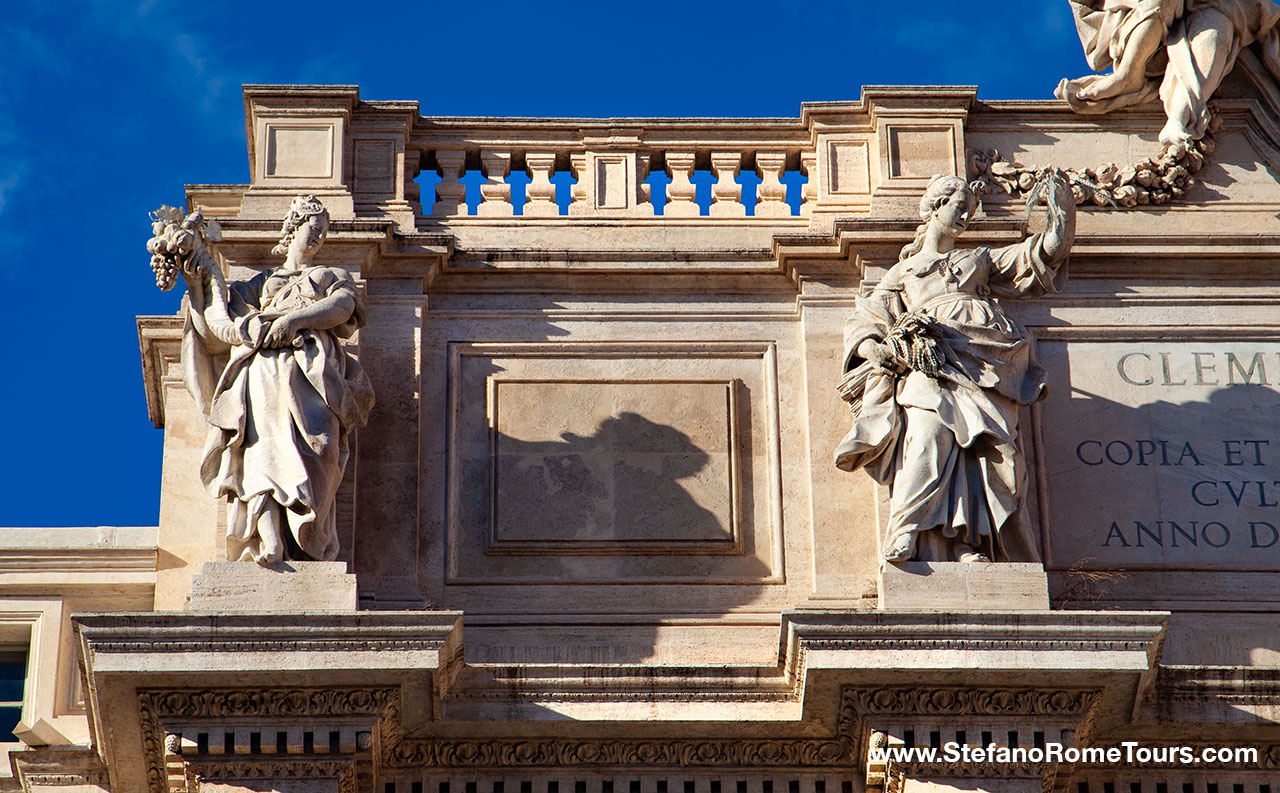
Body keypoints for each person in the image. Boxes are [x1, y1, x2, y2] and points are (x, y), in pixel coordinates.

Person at [834, 173, 1076, 563]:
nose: (964, 215)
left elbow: (1045, 252)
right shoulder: (903, 273)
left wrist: (1061, 212)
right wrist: (872, 348)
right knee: (928, 441)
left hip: (987, 364)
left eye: (969, 210)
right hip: (931, 360)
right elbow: (865, 318)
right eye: (957, 207)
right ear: (934, 208)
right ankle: (905, 534)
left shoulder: (979, 259)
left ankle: (966, 544)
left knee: (993, 456)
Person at [178, 195, 375, 565]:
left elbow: (343, 306)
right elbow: (220, 324)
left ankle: (309, 538)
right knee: (261, 450)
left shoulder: (331, 276)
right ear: (293, 227)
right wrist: (197, 281)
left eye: (323, 232)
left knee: (321, 448)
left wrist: (294, 321)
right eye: (312, 228)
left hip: (314, 375)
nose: (317, 237)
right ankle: (269, 540)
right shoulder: (261, 284)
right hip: (264, 371)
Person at [1058, 0, 1280, 145]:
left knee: (1215, 29)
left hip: (1216, 6)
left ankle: (1180, 117)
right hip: (1146, 25)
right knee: (1158, 1)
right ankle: (1128, 76)